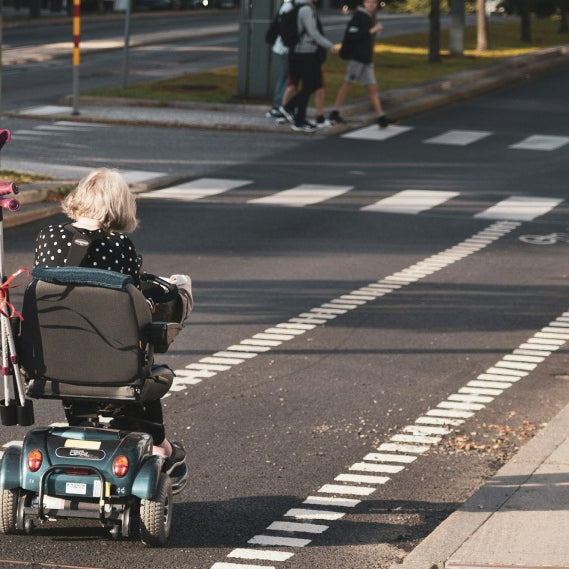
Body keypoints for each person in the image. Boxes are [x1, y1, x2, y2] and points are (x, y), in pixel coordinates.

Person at [34, 168, 193, 481]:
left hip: (54, 357)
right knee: (145, 369)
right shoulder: (120, 247)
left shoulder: (47, 236)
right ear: (119, 205)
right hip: (111, 360)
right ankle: (161, 448)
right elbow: (133, 307)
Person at [328, 0, 392, 128]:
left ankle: (381, 117)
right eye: (369, 2)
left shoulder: (369, 17)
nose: (372, 5)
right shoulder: (359, 17)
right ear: (364, 3)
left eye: (374, 3)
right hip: (357, 58)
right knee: (348, 84)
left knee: (373, 87)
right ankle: (334, 112)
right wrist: (372, 31)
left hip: (366, 59)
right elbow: (353, 36)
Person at [279, 0, 338, 133]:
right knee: (309, 86)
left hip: (305, 52)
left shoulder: (304, 7)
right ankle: (293, 112)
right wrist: (330, 46)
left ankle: (298, 118)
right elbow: (313, 33)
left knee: (314, 85)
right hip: (304, 53)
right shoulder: (305, 9)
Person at [266, 0, 293, 120]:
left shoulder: (288, 5)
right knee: (286, 77)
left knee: (284, 76)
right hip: (285, 47)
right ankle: (278, 106)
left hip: (283, 46)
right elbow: (285, 27)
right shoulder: (290, 6)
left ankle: (278, 105)